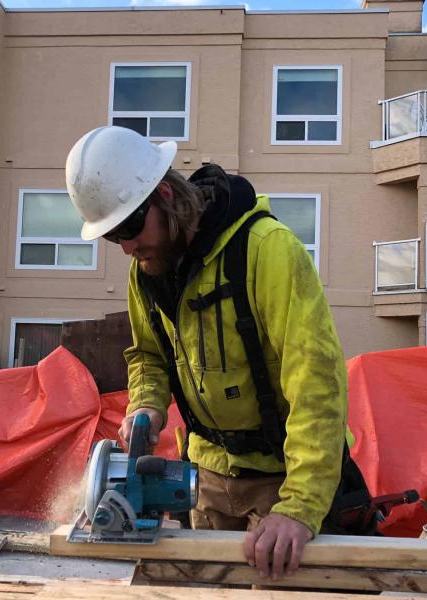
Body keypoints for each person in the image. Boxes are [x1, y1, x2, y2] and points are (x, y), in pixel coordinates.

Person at [65, 126, 373, 580]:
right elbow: (147, 355)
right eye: (114, 236)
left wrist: (301, 506)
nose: (128, 247)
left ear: (165, 195)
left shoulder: (266, 250)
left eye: (130, 226)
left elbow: (316, 383)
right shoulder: (148, 273)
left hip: (283, 478)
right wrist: (146, 404)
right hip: (206, 480)